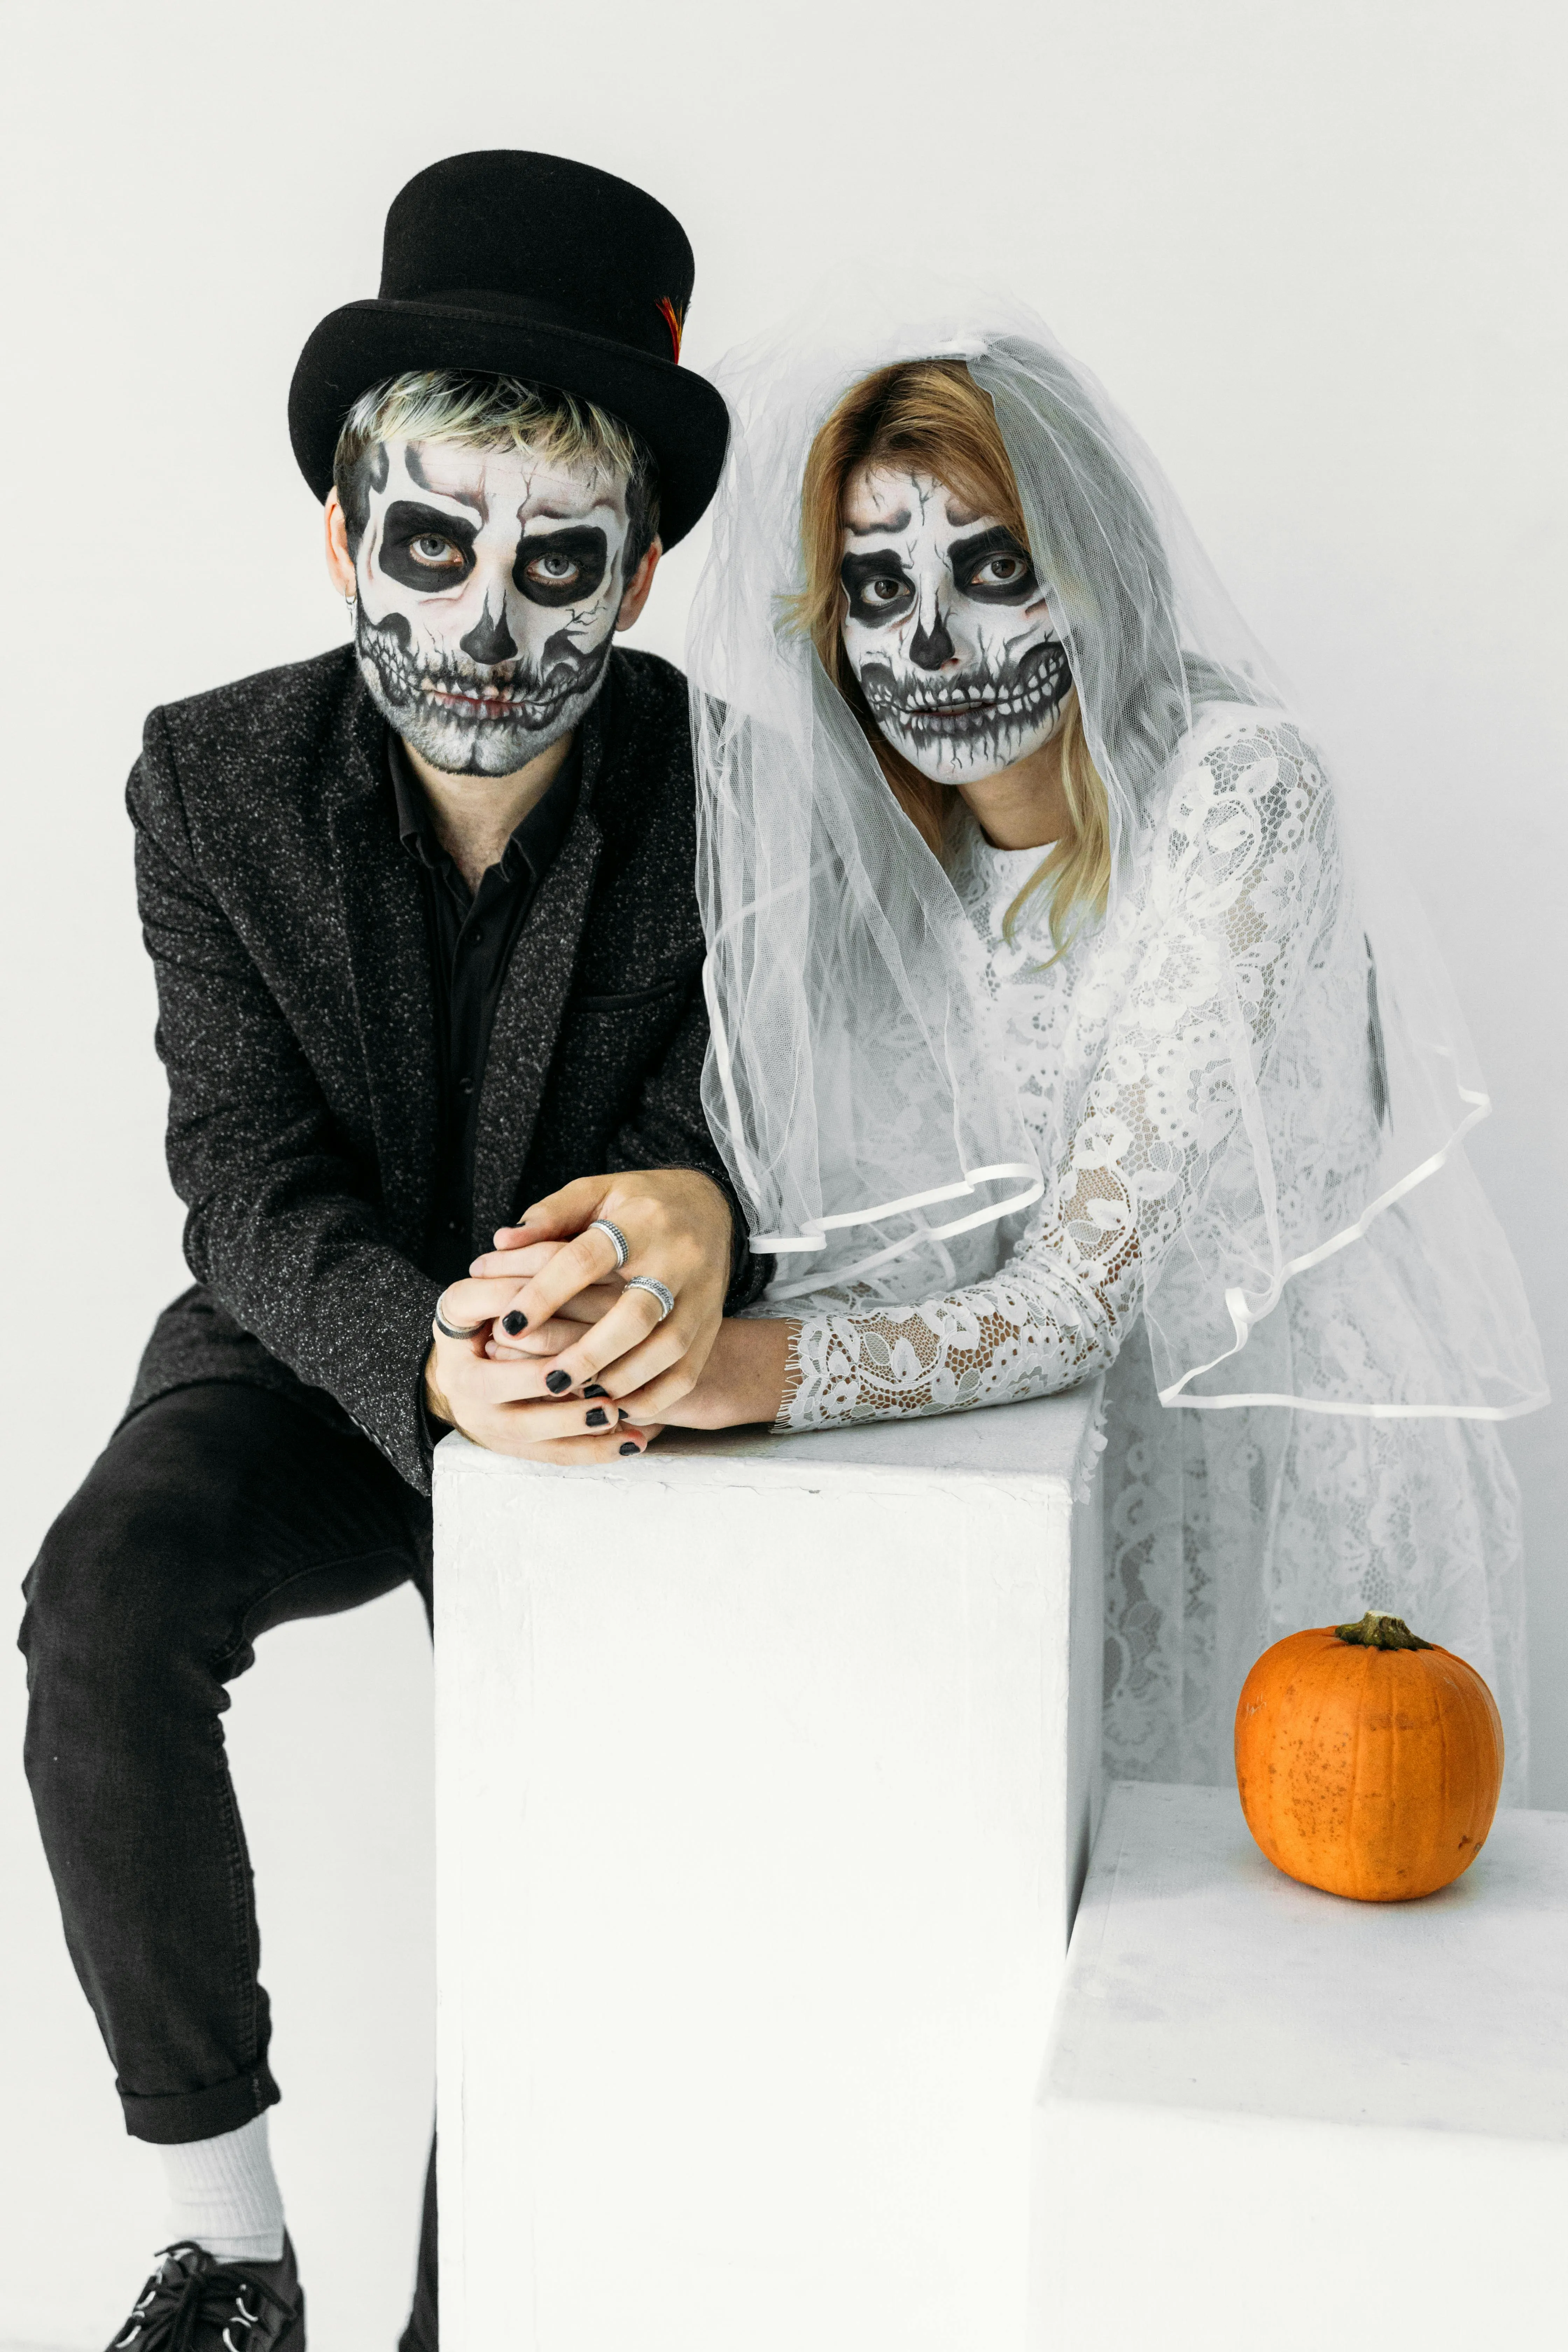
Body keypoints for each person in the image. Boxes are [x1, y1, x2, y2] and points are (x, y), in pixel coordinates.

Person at [19, 150, 763, 2351]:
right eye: (429, 546)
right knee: (103, 1606)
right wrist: (411, 1349)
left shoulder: (732, 799)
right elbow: (242, 1177)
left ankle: (487, 2307)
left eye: (557, 563)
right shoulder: (204, 779)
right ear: (346, 534)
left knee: (559, 1815)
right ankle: (227, 2250)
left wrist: (652, 1248)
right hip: (312, 1329)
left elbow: (708, 1131)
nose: (483, 626)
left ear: (636, 578)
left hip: (587, 1370)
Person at [492, 297, 1546, 1797]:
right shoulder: (874, 879)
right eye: (875, 585)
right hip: (1019, 1485)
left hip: (1276, 1487)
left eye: (992, 570)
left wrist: (743, 1373)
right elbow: (886, 1244)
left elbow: (1069, 1300)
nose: (929, 638)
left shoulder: (1237, 796)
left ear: (1094, 577)